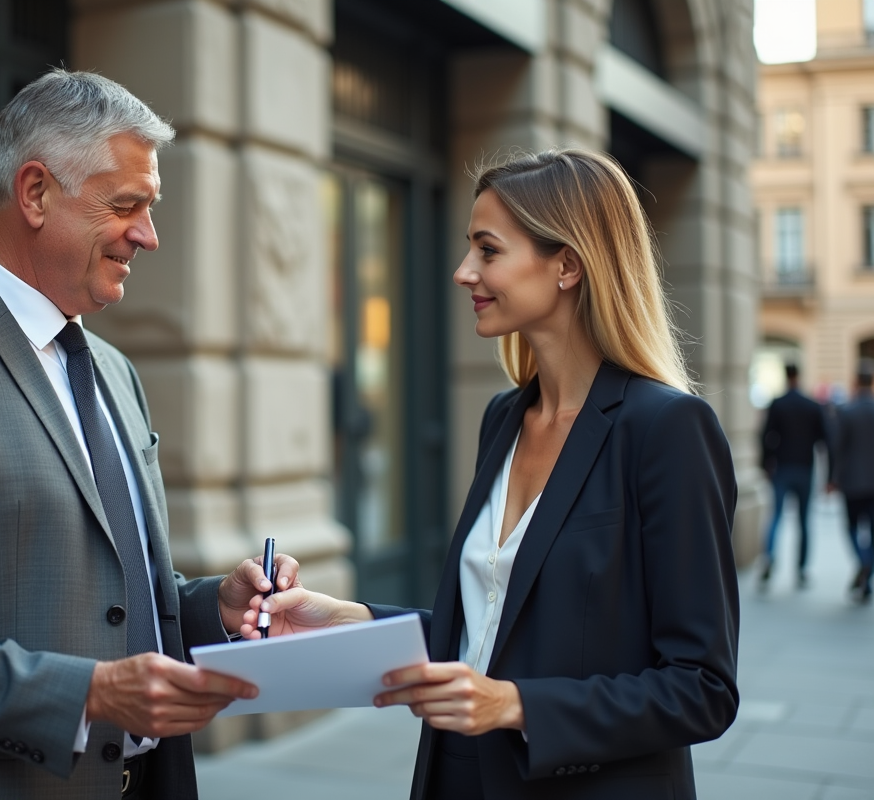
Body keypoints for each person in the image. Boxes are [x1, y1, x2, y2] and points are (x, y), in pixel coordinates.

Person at [0, 69, 298, 800]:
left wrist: (210, 609)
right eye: (126, 205)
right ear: (34, 193)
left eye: (151, 207)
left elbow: (104, 597)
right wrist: (91, 694)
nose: (149, 235)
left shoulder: (114, 371)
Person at [247, 149, 740, 800]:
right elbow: (489, 629)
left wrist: (515, 706)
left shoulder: (666, 429)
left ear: (567, 265)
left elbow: (701, 688)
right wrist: (347, 619)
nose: (463, 272)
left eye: (488, 250)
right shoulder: (504, 418)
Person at [759, 363, 830, 588]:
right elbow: (825, 440)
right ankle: (801, 569)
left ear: (785, 375)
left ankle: (769, 557)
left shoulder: (777, 404)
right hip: (805, 468)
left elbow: (765, 436)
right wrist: (829, 474)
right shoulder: (811, 405)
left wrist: (765, 463)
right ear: (799, 375)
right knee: (804, 521)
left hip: (781, 468)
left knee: (777, 516)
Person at [828, 364, 874, 602]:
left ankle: (863, 563)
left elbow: (836, 449)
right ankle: (867, 570)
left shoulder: (846, 411)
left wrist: (831, 478)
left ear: (856, 382)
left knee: (851, 527)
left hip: (853, 483)